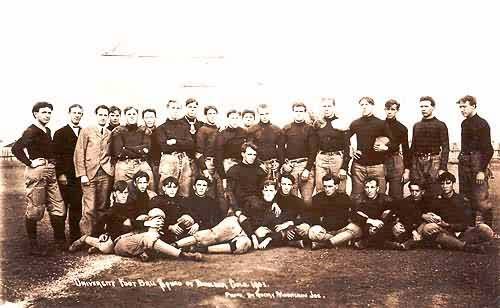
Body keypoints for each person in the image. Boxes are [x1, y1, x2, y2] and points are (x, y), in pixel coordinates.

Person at [12, 102, 66, 255]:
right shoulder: (31, 130)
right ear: (35, 113)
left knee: (58, 206)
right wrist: (30, 162)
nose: (47, 115)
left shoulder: (47, 130)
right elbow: (16, 148)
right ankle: (33, 245)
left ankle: (59, 241)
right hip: (37, 172)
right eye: (44, 112)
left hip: (50, 170)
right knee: (35, 209)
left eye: (49, 112)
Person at [421, 172, 493, 253]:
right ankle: (467, 247)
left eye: (448, 183)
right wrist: (427, 216)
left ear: (453, 184)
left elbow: (466, 223)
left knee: (485, 229)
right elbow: (426, 213)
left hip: (462, 232)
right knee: (428, 228)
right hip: (446, 232)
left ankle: (452, 244)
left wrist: (448, 225)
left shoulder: (462, 200)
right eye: (442, 184)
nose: (445, 186)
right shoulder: (437, 200)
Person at [456, 96, 496, 234]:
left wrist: (481, 170)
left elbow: (488, 150)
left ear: (473, 106)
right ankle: (470, 230)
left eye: (464, 106)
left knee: (481, 201)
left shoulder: (482, 124)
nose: (462, 109)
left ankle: (489, 232)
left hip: (477, 162)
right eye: (460, 107)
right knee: (466, 199)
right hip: (464, 162)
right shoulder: (464, 124)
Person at [68, 180, 139, 254]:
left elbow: (134, 220)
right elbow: (100, 224)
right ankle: (85, 239)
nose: (124, 195)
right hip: (114, 238)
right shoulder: (111, 211)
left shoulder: (131, 206)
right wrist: (102, 234)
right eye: (120, 193)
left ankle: (96, 247)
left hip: (127, 235)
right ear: (114, 194)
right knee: (107, 248)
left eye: (125, 193)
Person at [74, 105, 114, 236]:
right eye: (100, 115)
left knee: (102, 207)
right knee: (89, 208)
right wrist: (82, 174)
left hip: (106, 174)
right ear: (96, 116)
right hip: (89, 174)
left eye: (105, 115)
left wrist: (111, 170)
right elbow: (79, 153)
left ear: (108, 117)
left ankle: (98, 236)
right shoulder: (86, 131)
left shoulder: (109, 133)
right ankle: (86, 237)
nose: (103, 118)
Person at [324, 177, 395, 249]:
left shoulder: (385, 199)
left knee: (388, 226)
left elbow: (393, 212)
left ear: (377, 188)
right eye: (367, 187)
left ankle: (366, 242)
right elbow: (353, 215)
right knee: (356, 228)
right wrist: (370, 221)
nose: (369, 190)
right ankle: (375, 242)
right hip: (363, 227)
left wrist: (380, 221)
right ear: (364, 188)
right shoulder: (358, 199)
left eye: (372, 187)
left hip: (380, 226)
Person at [113, 207, 203, 261]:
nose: (160, 221)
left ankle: (145, 253)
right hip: (123, 244)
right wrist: (146, 223)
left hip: (138, 249)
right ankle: (184, 255)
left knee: (159, 245)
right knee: (149, 237)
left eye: (162, 219)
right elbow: (126, 224)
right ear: (149, 219)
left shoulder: (162, 234)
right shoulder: (142, 224)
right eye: (157, 218)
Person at [348, 97, 394, 201]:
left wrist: (385, 147)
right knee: (357, 197)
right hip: (359, 166)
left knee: (380, 196)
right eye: (362, 105)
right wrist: (351, 149)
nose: (364, 107)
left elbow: (392, 142)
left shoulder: (381, 123)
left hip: (377, 166)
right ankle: (358, 217)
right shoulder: (355, 123)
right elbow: (345, 138)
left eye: (366, 104)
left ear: (372, 106)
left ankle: (379, 217)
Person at [53, 104, 84, 243]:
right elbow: (56, 155)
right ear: (69, 114)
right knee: (62, 207)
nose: (77, 115)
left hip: (78, 176)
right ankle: (59, 238)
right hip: (65, 176)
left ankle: (75, 236)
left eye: (79, 113)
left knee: (76, 206)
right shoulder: (60, 133)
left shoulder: (84, 132)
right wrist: (60, 174)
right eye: (74, 112)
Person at [152, 99, 194, 197]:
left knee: (185, 190)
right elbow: (165, 147)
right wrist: (182, 143)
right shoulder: (161, 128)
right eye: (173, 108)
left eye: (178, 108)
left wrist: (175, 141)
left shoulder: (184, 126)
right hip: (169, 160)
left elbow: (190, 144)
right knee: (167, 188)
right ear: (168, 109)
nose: (175, 110)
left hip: (184, 160)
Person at [409, 96, 449, 197]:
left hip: (433, 161)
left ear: (433, 107)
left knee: (434, 190)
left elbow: (445, 147)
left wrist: (443, 167)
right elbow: (413, 147)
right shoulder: (416, 125)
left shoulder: (440, 125)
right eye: (421, 106)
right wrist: (411, 167)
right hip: (418, 161)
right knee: (418, 189)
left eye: (426, 106)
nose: (423, 109)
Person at [281, 101, 317, 205]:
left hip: (305, 165)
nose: (299, 113)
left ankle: (306, 220)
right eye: (296, 111)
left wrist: (307, 169)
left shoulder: (309, 129)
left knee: (307, 200)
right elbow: (281, 148)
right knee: (292, 199)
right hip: (291, 166)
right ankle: (293, 220)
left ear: (305, 112)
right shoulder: (287, 128)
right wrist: (284, 163)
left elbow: (313, 150)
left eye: (301, 111)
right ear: (293, 112)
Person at [111, 106, 154, 190]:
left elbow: (146, 149)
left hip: (141, 163)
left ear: (137, 116)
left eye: (134, 114)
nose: (131, 116)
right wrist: (139, 149)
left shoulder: (144, 130)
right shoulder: (118, 131)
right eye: (129, 114)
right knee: (122, 190)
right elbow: (119, 152)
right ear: (125, 116)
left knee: (149, 187)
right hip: (124, 165)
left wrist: (126, 148)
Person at [306, 175, 354, 250]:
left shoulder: (344, 198)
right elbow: (314, 217)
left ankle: (326, 243)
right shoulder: (317, 198)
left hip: (340, 230)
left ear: (336, 186)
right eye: (325, 186)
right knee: (312, 232)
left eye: (330, 186)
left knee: (355, 229)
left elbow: (348, 215)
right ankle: (340, 241)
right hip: (325, 231)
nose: (327, 189)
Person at [313, 97, 350, 193]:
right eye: (324, 106)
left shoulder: (341, 122)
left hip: (337, 158)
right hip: (321, 159)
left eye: (329, 106)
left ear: (334, 107)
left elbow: (347, 146)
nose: (326, 108)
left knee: (340, 189)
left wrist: (344, 167)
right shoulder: (318, 124)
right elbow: (314, 145)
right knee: (320, 189)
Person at [195, 105, 227, 212]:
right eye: (209, 114)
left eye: (214, 113)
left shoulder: (219, 130)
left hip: (219, 164)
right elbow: (198, 153)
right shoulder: (202, 130)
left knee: (221, 193)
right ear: (205, 115)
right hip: (207, 163)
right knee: (209, 193)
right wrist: (204, 169)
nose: (212, 116)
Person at [225, 142, 267, 215]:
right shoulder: (234, 170)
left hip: (257, 202)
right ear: (243, 154)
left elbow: (263, 190)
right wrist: (236, 209)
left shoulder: (259, 170)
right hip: (241, 204)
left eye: (254, 155)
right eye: (249, 154)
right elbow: (230, 192)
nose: (252, 157)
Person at [214, 109, 248, 196]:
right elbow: (218, 156)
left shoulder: (244, 132)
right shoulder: (222, 134)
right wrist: (223, 177)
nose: (235, 120)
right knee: (229, 189)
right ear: (228, 119)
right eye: (232, 118)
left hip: (242, 164)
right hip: (228, 164)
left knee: (242, 188)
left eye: (237, 118)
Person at [247, 103, 284, 180]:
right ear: (258, 114)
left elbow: (281, 149)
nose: (264, 116)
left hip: (273, 164)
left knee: (273, 189)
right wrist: (258, 163)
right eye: (262, 114)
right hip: (257, 165)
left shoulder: (277, 130)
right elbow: (250, 150)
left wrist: (279, 163)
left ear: (270, 113)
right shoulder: (252, 130)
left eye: (266, 113)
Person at [383, 99, 410, 200]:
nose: (389, 111)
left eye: (392, 109)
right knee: (380, 192)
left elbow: (406, 149)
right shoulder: (379, 125)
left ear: (397, 111)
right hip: (381, 161)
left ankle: (396, 215)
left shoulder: (402, 128)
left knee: (396, 194)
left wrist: (407, 170)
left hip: (395, 161)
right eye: (387, 109)